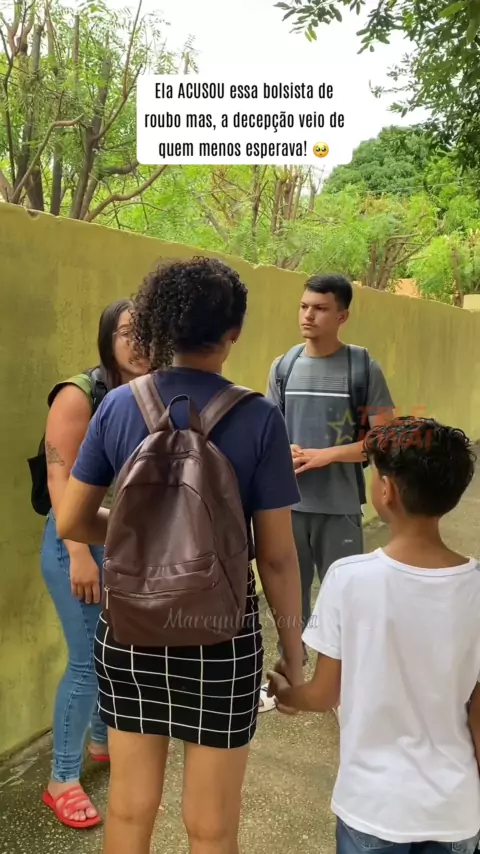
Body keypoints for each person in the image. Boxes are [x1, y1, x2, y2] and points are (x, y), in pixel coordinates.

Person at [56, 256, 305, 854]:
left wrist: (142, 536)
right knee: (212, 825)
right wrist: (294, 653)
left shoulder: (118, 406)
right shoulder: (260, 419)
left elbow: (73, 520)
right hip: (223, 637)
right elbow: (276, 557)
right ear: (234, 331)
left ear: (160, 326)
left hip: (131, 631)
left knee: (129, 810)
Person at [268, 417, 480, 854]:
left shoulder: (349, 578)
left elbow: (324, 695)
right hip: (455, 808)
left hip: (372, 805)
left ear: (387, 491)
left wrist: (288, 694)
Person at [41, 299, 149, 829]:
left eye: (146, 331)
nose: (137, 342)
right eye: (127, 332)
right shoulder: (78, 394)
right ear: (108, 338)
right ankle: (61, 779)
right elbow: (58, 479)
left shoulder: (149, 394)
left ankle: (103, 741)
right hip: (78, 542)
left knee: (117, 651)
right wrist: (80, 554)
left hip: (124, 541)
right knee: (87, 661)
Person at [263, 273, 394, 706]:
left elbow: (385, 439)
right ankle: (292, 680)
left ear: (342, 316)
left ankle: (341, 689)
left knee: (345, 601)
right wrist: (284, 451)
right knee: (289, 603)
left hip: (339, 508)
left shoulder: (362, 368)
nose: (308, 315)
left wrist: (327, 455)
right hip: (287, 508)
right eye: (304, 306)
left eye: (320, 308)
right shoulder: (284, 367)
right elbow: (268, 433)